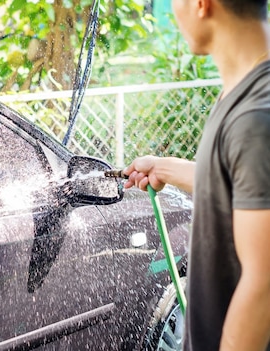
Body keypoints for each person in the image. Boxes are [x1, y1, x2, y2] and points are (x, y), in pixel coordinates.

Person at [122, 0, 270, 350]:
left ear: (201, 4)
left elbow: (263, 282)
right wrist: (165, 167)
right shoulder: (244, 90)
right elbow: (235, 184)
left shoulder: (256, 116)